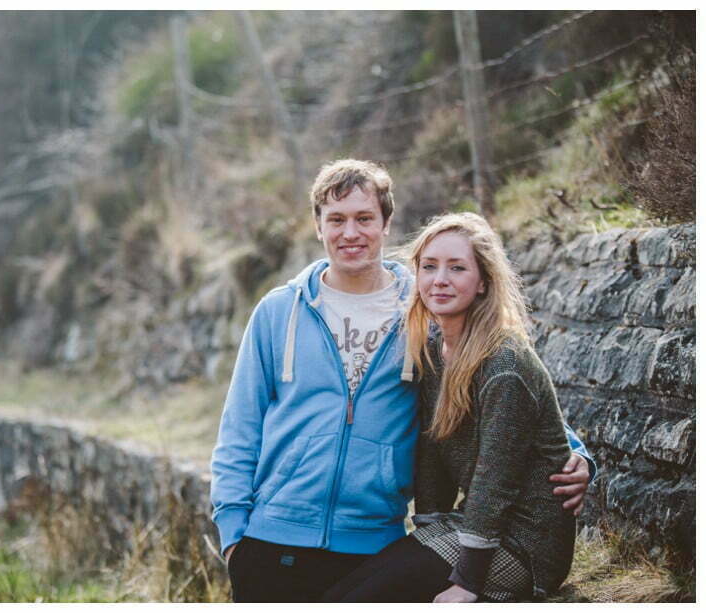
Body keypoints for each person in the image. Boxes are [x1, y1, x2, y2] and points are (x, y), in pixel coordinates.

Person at [210, 160, 594, 603]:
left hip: (373, 542)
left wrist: (579, 456)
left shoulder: (425, 309)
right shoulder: (280, 312)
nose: (350, 233)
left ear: (386, 223)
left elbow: (516, 396)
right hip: (271, 537)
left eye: (364, 218)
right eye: (336, 219)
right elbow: (240, 427)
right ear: (318, 226)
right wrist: (233, 532)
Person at [323, 212, 579, 603]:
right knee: (343, 594)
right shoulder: (432, 349)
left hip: (525, 545)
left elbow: (495, 480)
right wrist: (426, 528)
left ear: (482, 283)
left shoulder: (505, 365)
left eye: (456, 268)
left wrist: (466, 584)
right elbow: (432, 451)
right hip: (465, 528)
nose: (439, 279)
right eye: (429, 267)